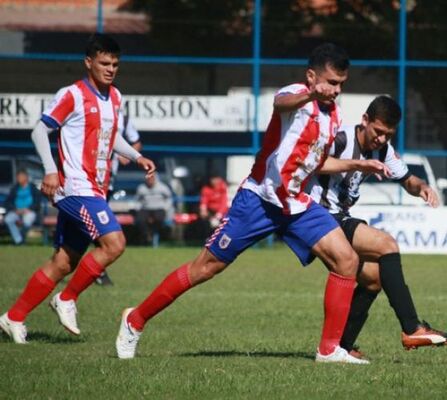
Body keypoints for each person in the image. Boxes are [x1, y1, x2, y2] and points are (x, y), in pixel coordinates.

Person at [115, 42, 388, 363]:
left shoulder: (333, 117)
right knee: (205, 268)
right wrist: (312, 94)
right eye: (330, 82)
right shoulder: (298, 95)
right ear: (312, 76)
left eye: (341, 84)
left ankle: (329, 350)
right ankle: (135, 320)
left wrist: (359, 164)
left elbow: (317, 163)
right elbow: (281, 103)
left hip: (297, 204)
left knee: (347, 260)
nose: (335, 90)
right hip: (259, 199)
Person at [0, 33, 156, 344]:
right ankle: (67, 298)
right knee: (114, 244)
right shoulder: (71, 94)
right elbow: (40, 131)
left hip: (95, 189)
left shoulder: (115, 97)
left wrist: (136, 156)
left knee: (64, 261)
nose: (110, 69)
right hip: (74, 187)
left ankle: (13, 317)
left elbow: (113, 138)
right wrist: (50, 171)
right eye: (104, 63)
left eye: (115, 64)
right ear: (89, 62)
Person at [310, 95, 447, 358]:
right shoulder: (340, 139)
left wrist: (422, 187)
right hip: (316, 215)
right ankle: (412, 328)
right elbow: (312, 162)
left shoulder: (384, 150)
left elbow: (408, 179)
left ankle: (339, 347)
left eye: (387, 135)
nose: (381, 139)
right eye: (378, 132)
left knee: (374, 279)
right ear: (364, 120)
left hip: (337, 216)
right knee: (386, 244)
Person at [96, 111, 144, 285]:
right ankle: (96, 270)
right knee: (96, 229)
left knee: (96, 228)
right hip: (85, 179)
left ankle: (97, 270)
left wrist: (129, 154)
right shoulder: (88, 109)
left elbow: (135, 142)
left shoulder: (122, 117)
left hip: (107, 180)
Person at [3, 169, 42, 245]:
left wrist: (29, 209)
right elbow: (7, 202)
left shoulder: (33, 188)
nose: (19, 179)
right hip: (16, 211)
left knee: (27, 220)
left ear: (26, 177)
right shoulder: (15, 188)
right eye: (18, 177)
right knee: (8, 219)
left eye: (20, 177)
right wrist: (15, 209)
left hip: (29, 211)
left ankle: (20, 240)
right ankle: (19, 240)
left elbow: (37, 202)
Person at [135, 173, 173, 246]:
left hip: (159, 208)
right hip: (146, 208)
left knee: (159, 218)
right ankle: (147, 235)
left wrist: (166, 208)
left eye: (151, 178)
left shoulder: (163, 187)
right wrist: (137, 209)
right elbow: (138, 200)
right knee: (140, 219)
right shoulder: (141, 188)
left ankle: (153, 234)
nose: (150, 180)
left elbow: (169, 199)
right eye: (148, 179)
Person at [198, 173, 229, 242]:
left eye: (216, 179)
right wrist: (203, 210)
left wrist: (218, 216)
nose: (214, 181)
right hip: (211, 213)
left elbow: (224, 203)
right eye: (212, 179)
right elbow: (204, 202)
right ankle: (209, 240)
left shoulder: (223, 187)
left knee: (222, 225)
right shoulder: (206, 189)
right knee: (206, 221)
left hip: (223, 213)